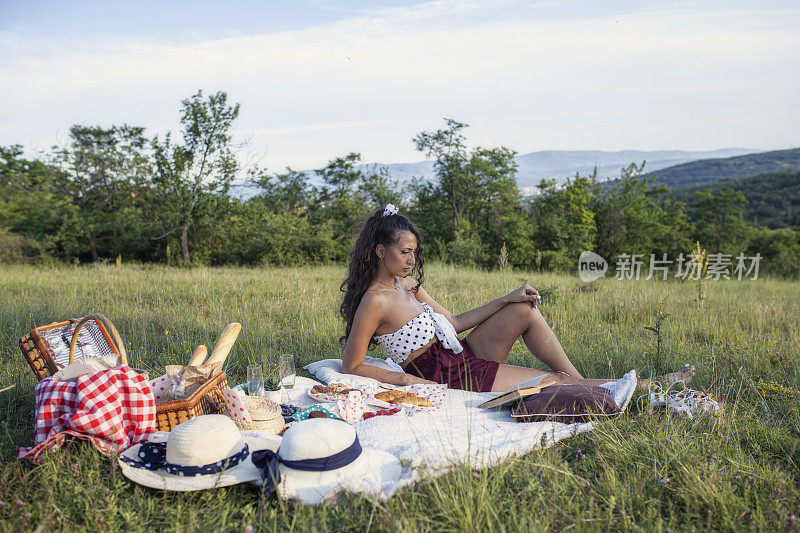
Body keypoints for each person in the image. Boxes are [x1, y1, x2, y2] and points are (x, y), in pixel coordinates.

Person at [340, 205, 693, 393]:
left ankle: (584, 385)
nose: (412, 260)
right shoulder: (374, 302)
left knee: (523, 310)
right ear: (379, 250)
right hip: (444, 376)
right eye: (405, 253)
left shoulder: (409, 286)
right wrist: (404, 380)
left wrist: (506, 298)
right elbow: (351, 366)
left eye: (415, 253)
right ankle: (641, 388)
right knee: (552, 383)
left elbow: (456, 323)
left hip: (459, 355)